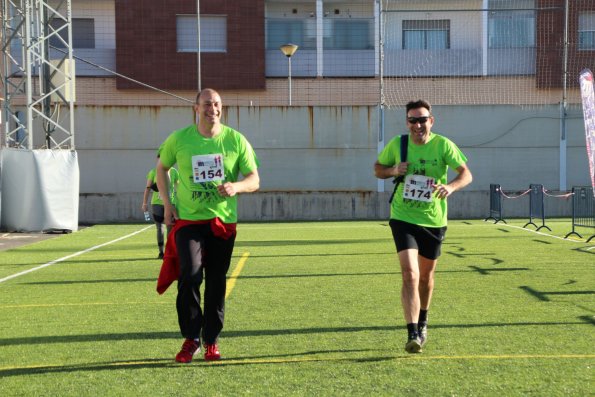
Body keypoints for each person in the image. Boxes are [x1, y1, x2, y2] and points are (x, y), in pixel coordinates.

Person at [155, 88, 260, 363]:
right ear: (195, 108)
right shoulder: (179, 139)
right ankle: (191, 338)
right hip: (189, 221)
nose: (211, 109)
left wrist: (236, 186)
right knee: (189, 274)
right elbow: (161, 168)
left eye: (216, 104)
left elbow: (254, 179)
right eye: (206, 104)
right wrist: (168, 204)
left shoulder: (236, 140)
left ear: (221, 108)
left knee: (215, 282)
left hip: (222, 222)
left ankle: (211, 339)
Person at [374, 99, 472, 354]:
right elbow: (378, 169)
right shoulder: (399, 144)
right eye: (412, 120)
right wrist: (394, 169)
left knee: (426, 278)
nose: (417, 125)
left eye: (422, 119)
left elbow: (466, 174)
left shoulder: (443, 145)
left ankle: (424, 320)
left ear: (431, 120)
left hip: (434, 219)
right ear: (407, 122)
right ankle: (412, 332)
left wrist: (450, 186)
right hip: (403, 216)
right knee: (410, 274)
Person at [141, 164, 179, 259]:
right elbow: (148, 188)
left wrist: (181, 201)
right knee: (160, 227)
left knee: (170, 228)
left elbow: (178, 187)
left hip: (170, 203)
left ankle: (169, 251)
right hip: (157, 203)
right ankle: (161, 251)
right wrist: (144, 203)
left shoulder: (174, 171)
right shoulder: (153, 172)